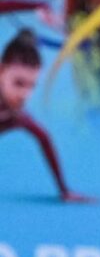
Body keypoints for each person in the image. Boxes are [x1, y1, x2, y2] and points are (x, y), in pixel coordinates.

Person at [0, 29, 92, 202]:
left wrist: (64, 191)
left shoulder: (17, 116)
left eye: (31, 86)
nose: (24, 95)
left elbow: (44, 140)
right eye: (18, 83)